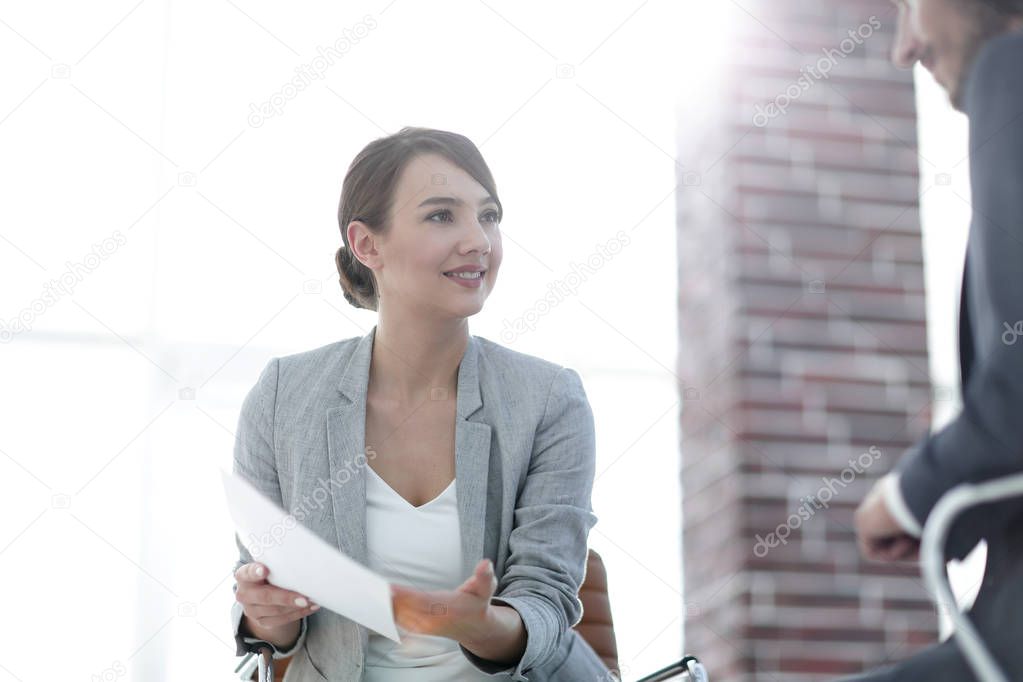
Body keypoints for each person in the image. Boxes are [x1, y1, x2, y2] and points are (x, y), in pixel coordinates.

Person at [227, 127, 611, 681]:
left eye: (490, 216)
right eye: (441, 215)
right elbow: (265, 612)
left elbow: (546, 599)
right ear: (367, 245)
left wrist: (479, 624)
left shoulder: (549, 401)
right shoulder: (284, 395)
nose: (479, 240)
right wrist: (269, 616)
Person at [846, 1, 1023, 679]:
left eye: (908, 6)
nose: (902, 46)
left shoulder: (1007, 72)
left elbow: (1016, 396)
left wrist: (908, 496)